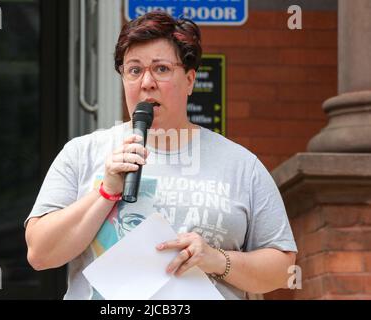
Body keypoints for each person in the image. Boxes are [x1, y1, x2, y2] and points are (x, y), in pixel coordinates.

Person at [25, 11, 297, 300]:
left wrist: (216, 259)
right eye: (134, 70)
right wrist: (105, 192)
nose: (146, 82)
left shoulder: (242, 165)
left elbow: (283, 270)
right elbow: (40, 254)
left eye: (161, 69)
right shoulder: (81, 154)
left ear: (190, 80)